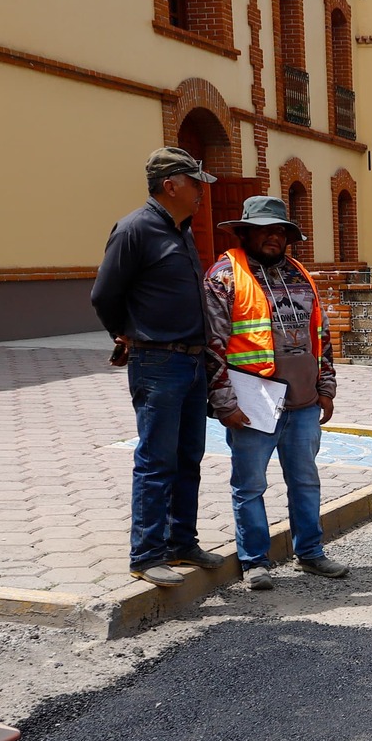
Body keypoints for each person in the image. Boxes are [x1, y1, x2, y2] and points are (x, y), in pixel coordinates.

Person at [90, 146, 224, 587]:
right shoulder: (135, 229)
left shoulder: (181, 230)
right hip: (158, 362)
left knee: (189, 457)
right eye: (194, 182)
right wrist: (127, 331)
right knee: (156, 460)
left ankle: (180, 541)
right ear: (171, 185)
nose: (201, 190)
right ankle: (146, 554)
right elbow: (104, 295)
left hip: (191, 363)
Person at [204, 195, 348, 590]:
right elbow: (212, 344)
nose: (273, 237)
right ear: (245, 232)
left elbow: (321, 333)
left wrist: (327, 385)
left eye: (279, 231)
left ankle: (311, 553)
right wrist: (223, 402)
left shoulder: (300, 274)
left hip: (302, 402)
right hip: (252, 405)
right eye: (264, 230)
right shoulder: (224, 277)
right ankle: (255, 562)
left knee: (305, 481)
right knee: (250, 485)